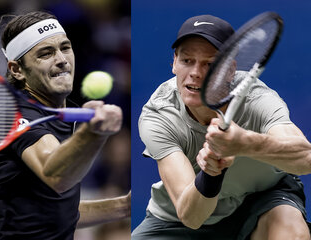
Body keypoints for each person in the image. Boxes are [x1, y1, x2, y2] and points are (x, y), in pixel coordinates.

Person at [131, 14, 311, 240]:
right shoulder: (159, 115)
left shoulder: (256, 98)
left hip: (263, 198)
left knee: (291, 233)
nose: (196, 73)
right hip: (180, 220)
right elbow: (191, 217)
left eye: (210, 63)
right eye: (187, 60)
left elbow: (306, 159)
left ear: (230, 69)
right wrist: (211, 173)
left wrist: (245, 144)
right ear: (174, 62)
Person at [0, 11, 130, 240]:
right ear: (17, 70)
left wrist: (124, 206)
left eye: (65, 48)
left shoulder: (68, 115)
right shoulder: (11, 114)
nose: (62, 59)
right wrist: (93, 134)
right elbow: (56, 176)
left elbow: (57, 211)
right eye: (45, 53)